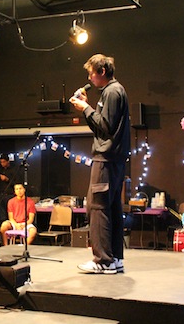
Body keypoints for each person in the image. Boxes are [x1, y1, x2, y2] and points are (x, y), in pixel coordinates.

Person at [69, 54, 130, 274]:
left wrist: (85, 107)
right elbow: (104, 127)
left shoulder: (112, 92)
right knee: (111, 207)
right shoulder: (112, 92)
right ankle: (114, 258)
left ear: (101, 72)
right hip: (113, 158)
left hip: (106, 159)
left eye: (91, 74)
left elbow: (104, 126)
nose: (90, 78)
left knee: (97, 208)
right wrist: (88, 108)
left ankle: (103, 261)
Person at [0, 154, 16, 223]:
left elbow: (17, 183)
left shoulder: (13, 170)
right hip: (1, 194)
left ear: (8, 161)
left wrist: (7, 179)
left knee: (10, 211)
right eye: (1, 162)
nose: (2, 164)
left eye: (4, 162)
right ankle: (3, 224)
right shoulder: (0, 170)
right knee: (1, 212)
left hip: (10, 194)